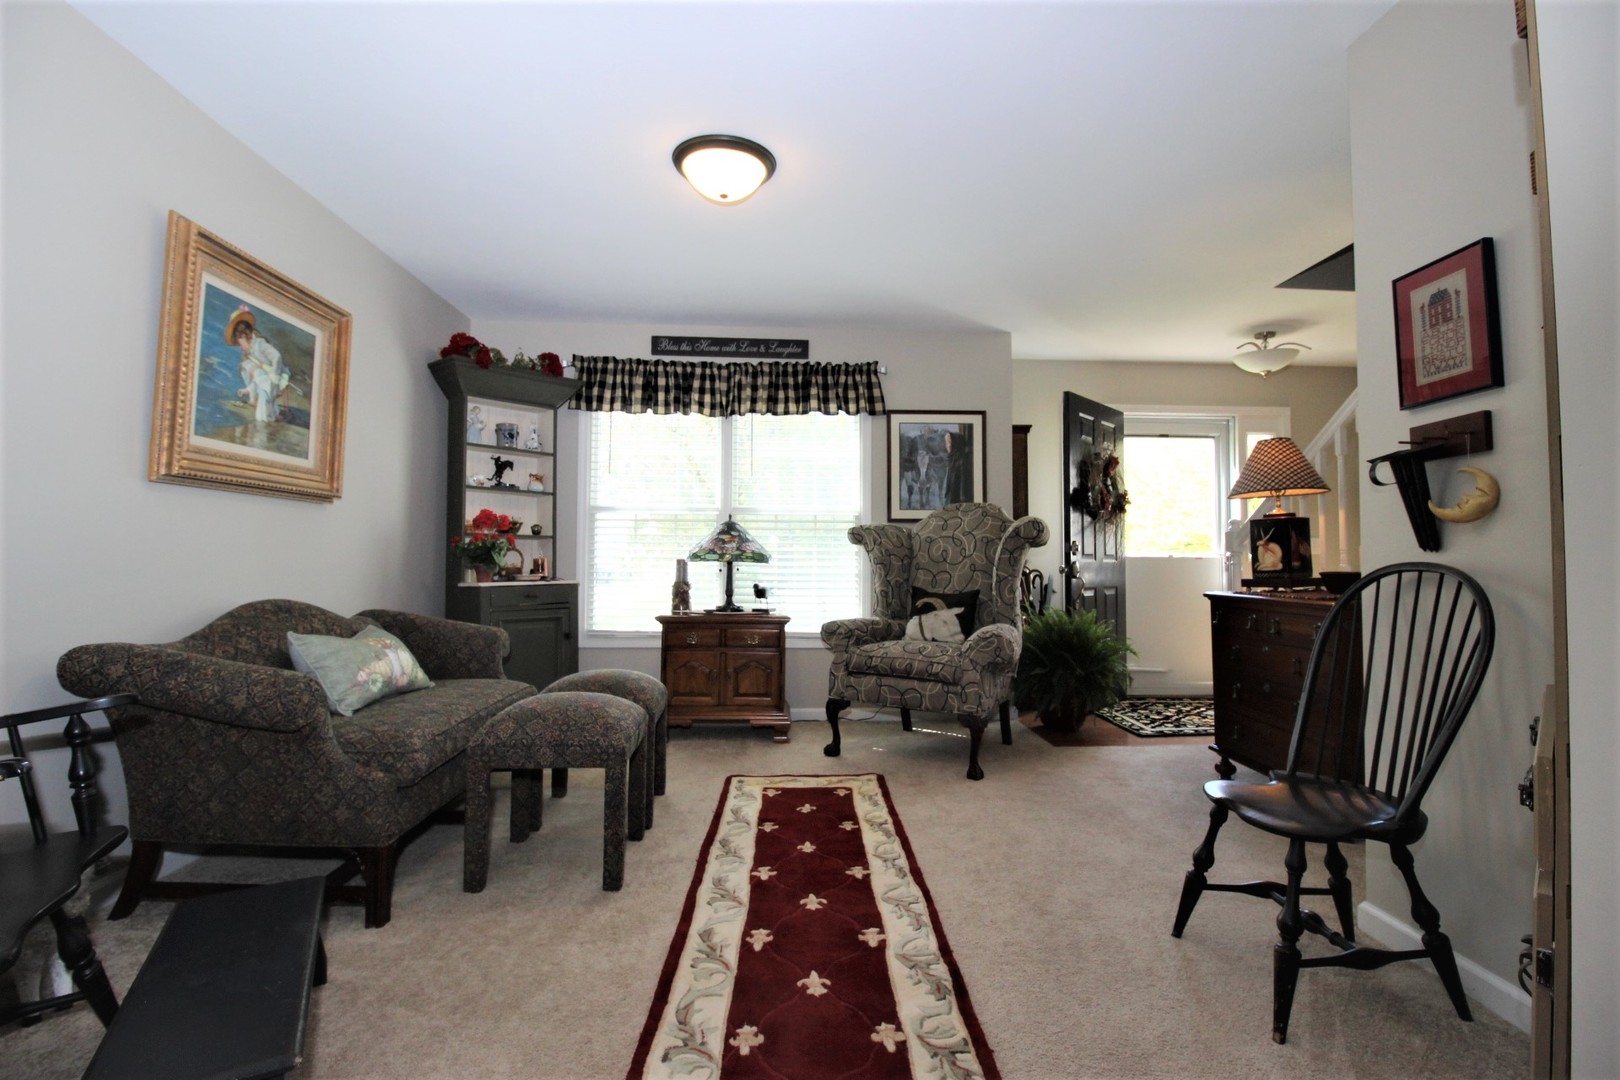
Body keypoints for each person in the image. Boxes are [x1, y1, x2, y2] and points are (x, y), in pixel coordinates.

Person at [225, 305, 288, 423]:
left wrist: (274, 376)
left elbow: (277, 356)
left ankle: (264, 419)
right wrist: (247, 390)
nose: (240, 348)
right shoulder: (252, 353)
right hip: (266, 379)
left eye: (240, 344)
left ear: (244, 336)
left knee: (264, 406)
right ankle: (261, 405)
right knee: (247, 366)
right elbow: (257, 377)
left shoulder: (260, 344)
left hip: (277, 376)